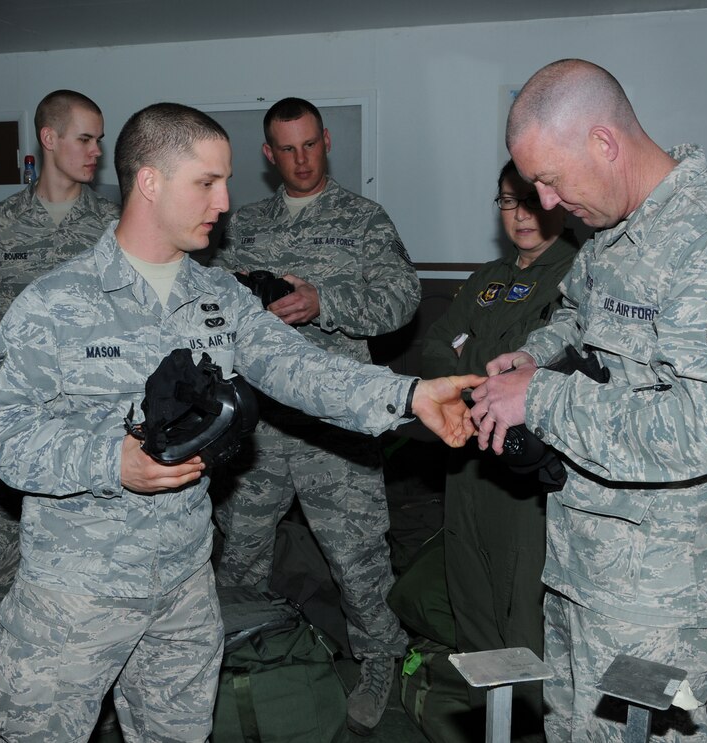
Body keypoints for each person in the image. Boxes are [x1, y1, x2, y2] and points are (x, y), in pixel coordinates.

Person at [0, 102, 482, 742]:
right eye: (207, 182)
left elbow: (300, 368)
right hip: (78, 591)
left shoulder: (218, 296)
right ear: (151, 181)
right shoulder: (54, 301)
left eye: (226, 181)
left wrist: (408, 395)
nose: (226, 200)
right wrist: (110, 460)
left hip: (183, 581)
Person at [469, 59, 707, 741]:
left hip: (657, 590)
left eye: (551, 180)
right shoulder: (614, 230)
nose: (546, 204)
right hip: (584, 555)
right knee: (572, 728)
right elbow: (580, 317)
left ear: (604, 144)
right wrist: (538, 354)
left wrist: (544, 400)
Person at [210, 97, 420, 734]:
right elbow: (212, 304)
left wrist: (322, 301)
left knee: (357, 560)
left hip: (335, 428)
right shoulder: (241, 224)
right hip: (257, 428)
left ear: (326, 142)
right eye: (287, 149)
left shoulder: (363, 220)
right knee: (238, 555)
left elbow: (401, 301)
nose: (302, 160)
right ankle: (241, 661)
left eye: (311, 145)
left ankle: (380, 658)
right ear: (269, 155)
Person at [0, 89, 120, 657]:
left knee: (92, 577)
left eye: (100, 139)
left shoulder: (116, 224)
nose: (97, 150)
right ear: (49, 139)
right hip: (15, 427)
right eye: (85, 138)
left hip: (96, 430)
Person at [419, 159, 577, 739]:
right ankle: (490, 720)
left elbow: (555, 365)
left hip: (525, 470)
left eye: (532, 202)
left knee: (524, 597)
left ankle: (534, 722)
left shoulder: (578, 275)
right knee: (471, 588)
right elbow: (439, 343)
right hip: (467, 458)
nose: (521, 216)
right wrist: (465, 390)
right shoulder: (485, 279)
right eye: (509, 202)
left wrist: (477, 377)